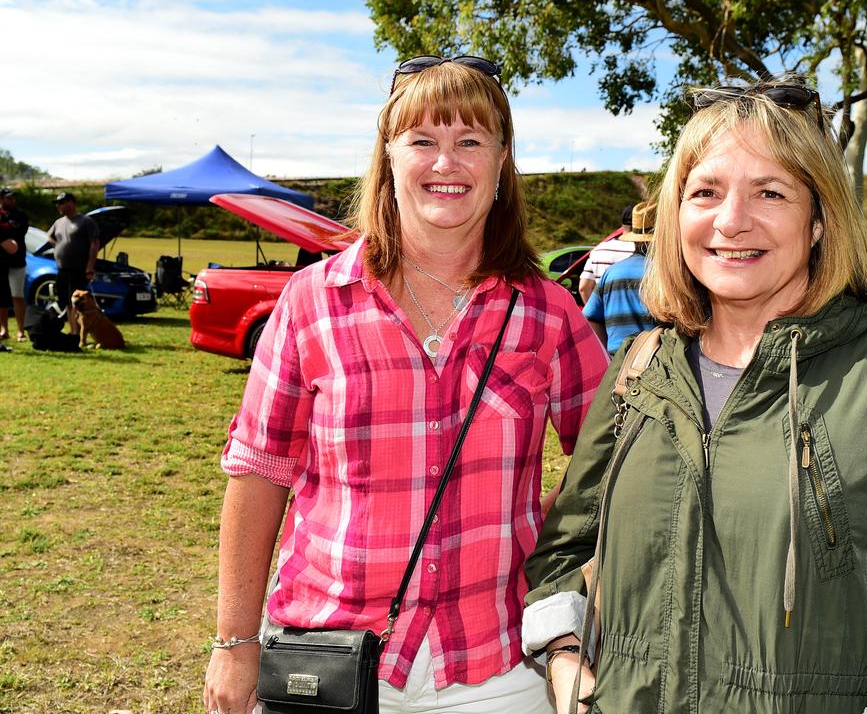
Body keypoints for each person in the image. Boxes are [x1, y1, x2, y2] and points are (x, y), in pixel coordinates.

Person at [523, 80, 867, 713]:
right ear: (676, 215)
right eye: (705, 192)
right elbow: (564, 548)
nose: (731, 221)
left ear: (818, 220)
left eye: (770, 192)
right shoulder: (638, 371)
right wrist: (566, 657)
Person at [203, 55, 609, 714]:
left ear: (501, 162)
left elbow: (612, 462)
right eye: (422, 140)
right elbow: (259, 475)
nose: (445, 163)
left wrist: (553, 559)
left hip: (500, 667)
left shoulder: (546, 312)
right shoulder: (313, 302)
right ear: (388, 157)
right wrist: (234, 641)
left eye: (470, 142)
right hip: (329, 653)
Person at [581, 200, 657, 354]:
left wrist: (606, 352)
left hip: (617, 362)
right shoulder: (667, 274)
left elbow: (590, 317)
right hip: (658, 360)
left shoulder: (612, 273)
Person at [46, 192, 99, 331]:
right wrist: (58, 245)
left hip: (79, 269)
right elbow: (49, 236)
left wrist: (90, 267)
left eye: (62, 203)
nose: (59, 206)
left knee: (75, 302)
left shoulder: (85, 221)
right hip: (62, 269)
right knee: (65, 301)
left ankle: (77, 332)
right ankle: (73, 329)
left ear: (71, 203)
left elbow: (94, 244)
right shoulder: (58, 222)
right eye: (58, 203)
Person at [577, 206, 636, 303]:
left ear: (622, 224)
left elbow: (583, 288)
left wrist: (596, 313)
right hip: (636, 316)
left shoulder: (599, 250)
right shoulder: (644, 251)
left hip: (605, 315)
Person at [0, 188, 30, 341]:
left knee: (17, 296)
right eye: (8, 198)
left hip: (17, 262)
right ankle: (4, 330)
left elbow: (18, 233)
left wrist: (5, 239)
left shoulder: (21, 215)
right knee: (1, 298)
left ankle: (21, 331)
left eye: (13, 198)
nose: (12, 200)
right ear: (2, 199)